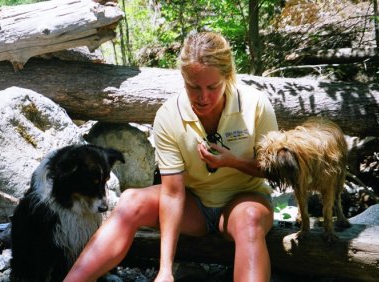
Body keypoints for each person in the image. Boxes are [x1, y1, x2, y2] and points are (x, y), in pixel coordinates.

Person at [64, 31, 278, 282]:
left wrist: (233, 162)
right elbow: (173, 193)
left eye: (213, 87)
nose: (203, 97)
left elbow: (274, 170)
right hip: (194, 206)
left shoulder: (255, 104)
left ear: (228, 77)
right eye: (193, 86)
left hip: (245, 202)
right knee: (131, 200)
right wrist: (165, 269)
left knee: (249, 219)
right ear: (183, 78)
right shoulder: (169, 115)